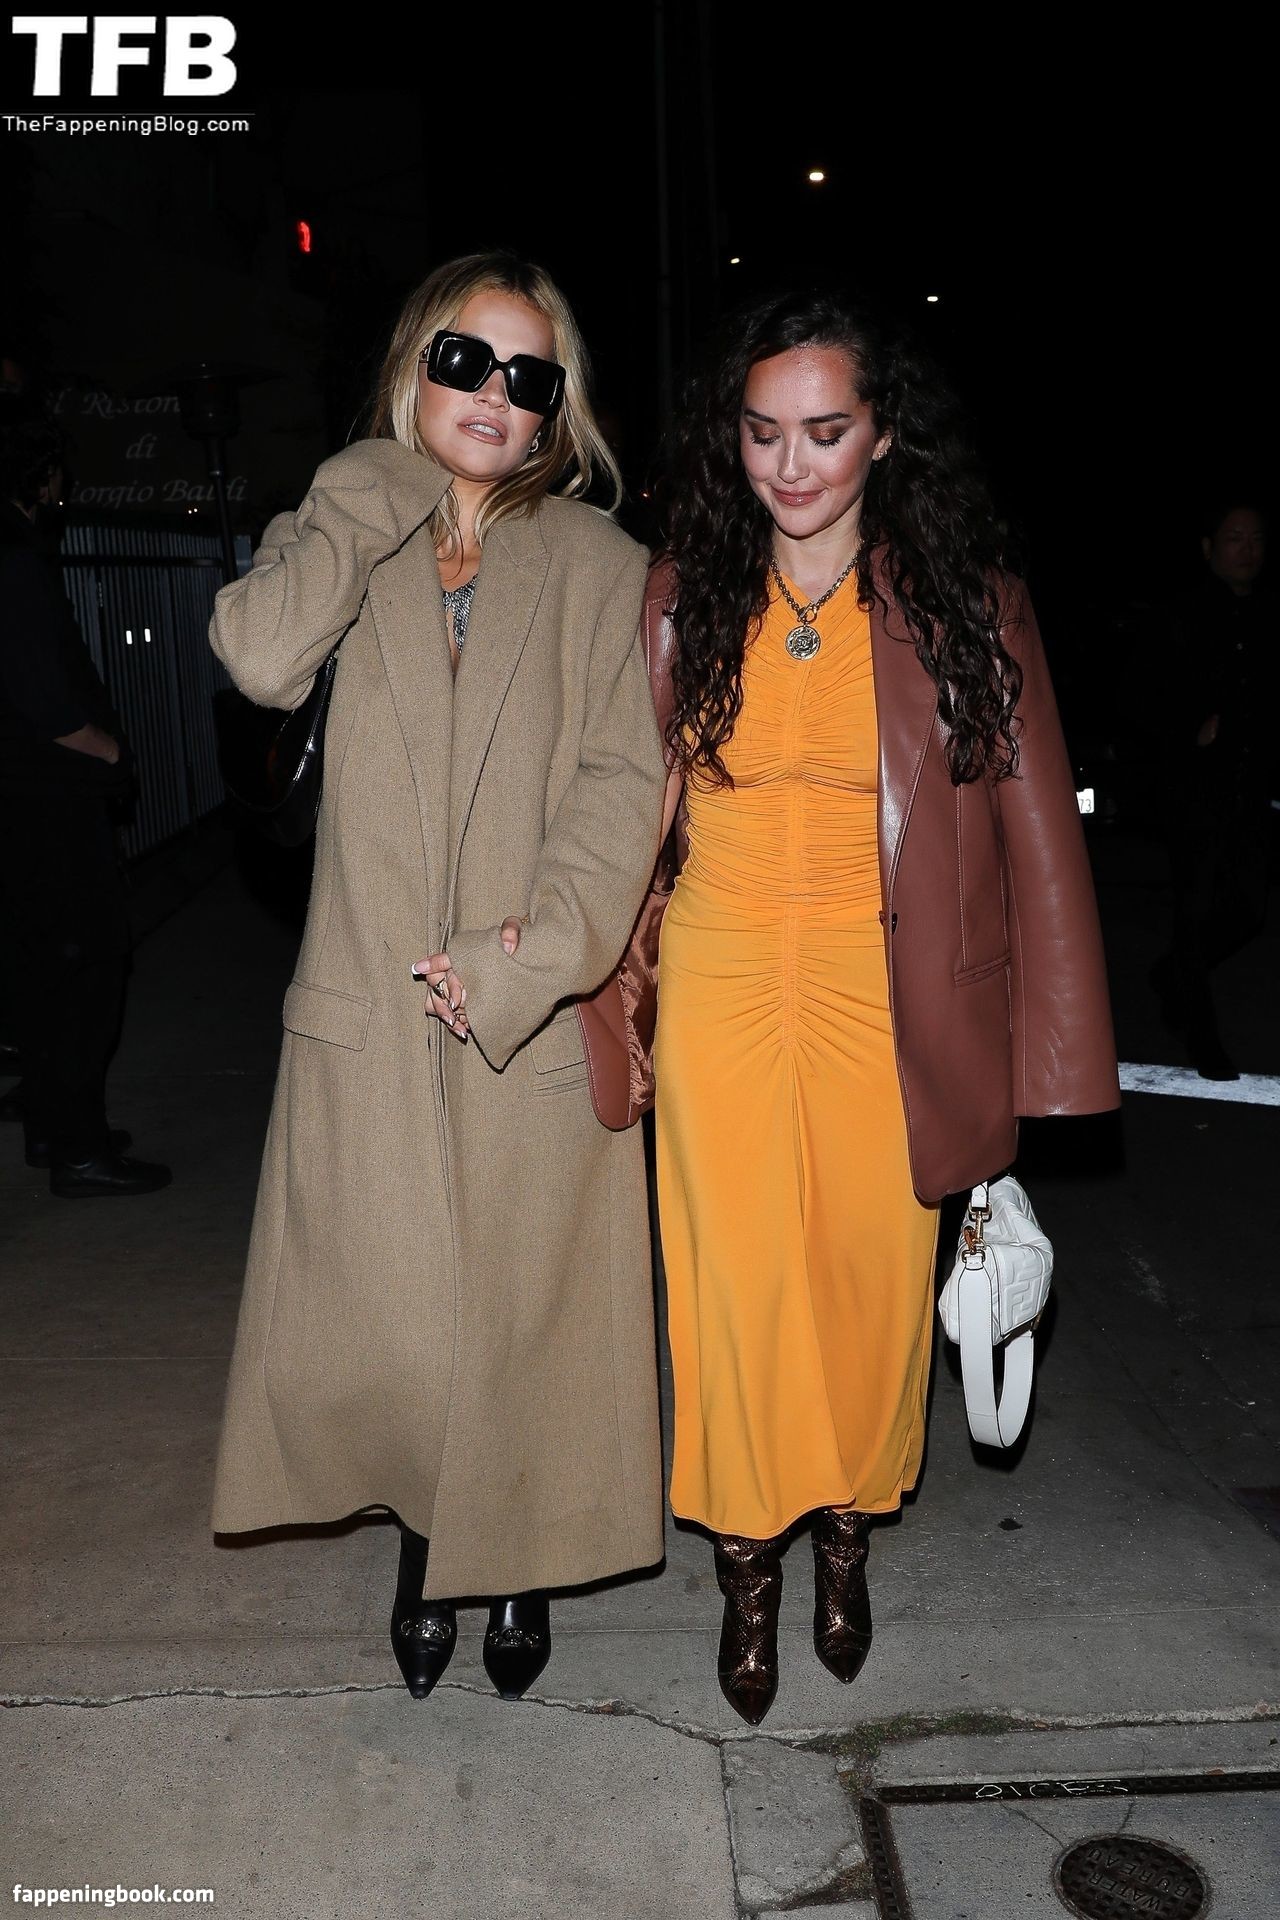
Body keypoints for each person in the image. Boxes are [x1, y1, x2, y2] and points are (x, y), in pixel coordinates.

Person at [651, 291, 1120, 1724]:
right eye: (761, 433)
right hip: (719, 979)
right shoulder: (679, 592)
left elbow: (1039, 837)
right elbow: (617, 807)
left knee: (866, 1287)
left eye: (824, 431)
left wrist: (1050, 1066)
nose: (789, 465)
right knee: (734, 1290)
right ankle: (747, 1561)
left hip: (886, 992)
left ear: (884, 434)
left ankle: (846, 1527)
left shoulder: (965, 599)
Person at [208, 253, 667, 1703]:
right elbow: (258, 658)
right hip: (366, 1005)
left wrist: (531, 960)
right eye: (462, 361)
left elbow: (624, 788)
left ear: (553, 412)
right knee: (398, 1322)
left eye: (527, 377)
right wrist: (373, 486)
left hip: (523, 995)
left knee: (524, 1312)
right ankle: (426, 1543)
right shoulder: (340, 524)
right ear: (413, 367)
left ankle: (512, 1561)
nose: (491, 395)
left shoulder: (602, 566)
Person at [0, 395, 171, 1197]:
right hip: (46, 798)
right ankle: (77, 1147)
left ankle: (55, 1128)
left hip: (22, 797)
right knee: (87, 968)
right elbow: (46, 700)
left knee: (44, 969)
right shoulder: (14, 559)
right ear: (39, 472)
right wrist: (112, 753)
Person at [1150, 499, 1274, 1079]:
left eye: (1256, 538)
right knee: (1195, 908)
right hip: (1195, 790)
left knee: (1249, 909)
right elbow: (1141, 697)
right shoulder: (1181, 615)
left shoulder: (1268, 613)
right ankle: (1202, 1036)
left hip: (1252, 789)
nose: (1247, 549)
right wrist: (1189, 730)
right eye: (1234, 538)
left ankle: (1173, 972)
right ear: (1208, 547)